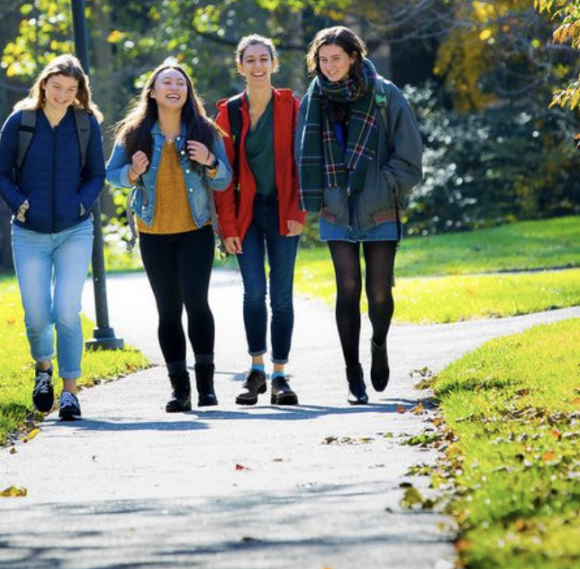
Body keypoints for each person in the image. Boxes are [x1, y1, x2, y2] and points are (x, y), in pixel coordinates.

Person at [297, 27, 422, 404]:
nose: (330, 66)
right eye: (323, 59)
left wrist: (384, 183)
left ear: (354, 57)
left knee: (379, 294)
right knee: (347, 288)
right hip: (336, 209)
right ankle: (353, 374)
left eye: (337, 58)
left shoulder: (385, 94)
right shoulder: (314, 99)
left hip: (379, 205)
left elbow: (409, 154)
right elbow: (301, 152)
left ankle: (378, 343)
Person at [106, 59, 232, 412]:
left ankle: (206, 386)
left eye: (180, 82)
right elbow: (110, 174)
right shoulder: (134, 133)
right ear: (153, 92)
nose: (174, 87)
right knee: (168, 310)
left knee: (196, 302)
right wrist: (132, 171)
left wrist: (210, 161)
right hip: (154, 232)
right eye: (167, 82)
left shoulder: (206, 131)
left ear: (188, 92)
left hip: (196, 230)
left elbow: (224, 179)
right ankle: (180, 390)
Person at [0, 55, 105, 422]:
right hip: (29, 234)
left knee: (67, 311)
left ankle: (70, 393)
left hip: (74, 230)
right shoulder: (20, 122)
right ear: (43, 84)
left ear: (79, 91)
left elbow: (96, 175)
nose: (62, 94)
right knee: (38, 315)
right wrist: (20, 204)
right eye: (56, 87)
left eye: (71, 90)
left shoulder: (85, 124)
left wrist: (81, 205)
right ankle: (43, 371)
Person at [213, 35, 306, 406]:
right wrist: (228, 228)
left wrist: (299, 212)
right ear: (240, 66)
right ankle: (256, 371)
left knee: (282, 297)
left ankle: (280, 375)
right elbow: (222, 177)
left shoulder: (293, 106)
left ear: (273, 63)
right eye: (249, 59)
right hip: (246, 213)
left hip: (284, 210)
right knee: (254, 292)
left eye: (263, 58)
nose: (257, 65)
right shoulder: (230, 113)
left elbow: (303, 164)